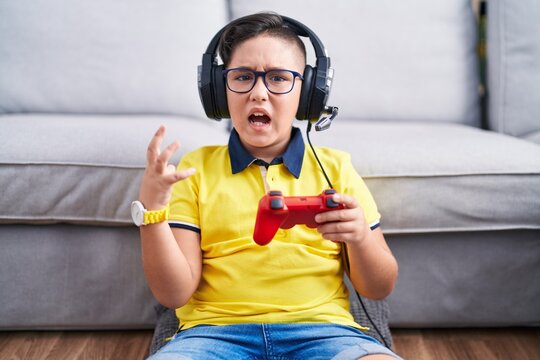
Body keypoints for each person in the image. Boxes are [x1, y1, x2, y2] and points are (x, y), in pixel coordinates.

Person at [138, 12, 400, 359]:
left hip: (325, 333)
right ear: (219, 88)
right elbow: (173, 295)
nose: (258, 93)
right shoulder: (195, 169)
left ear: (308, 94)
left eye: (278, 78)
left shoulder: (336, 168)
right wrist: (152, 212)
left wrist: (361, 238)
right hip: (214, 336)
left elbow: (379, 288)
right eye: (243, 77)